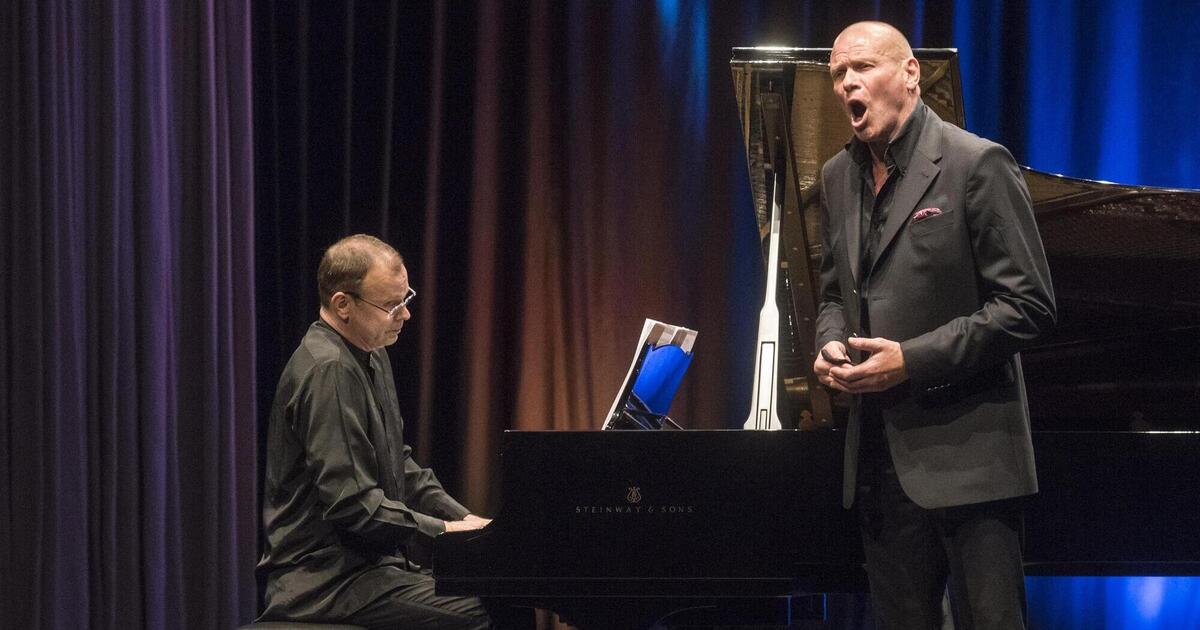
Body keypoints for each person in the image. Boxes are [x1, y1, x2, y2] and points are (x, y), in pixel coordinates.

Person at [812, 21, 1056, 630]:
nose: (847, 84)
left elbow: (1028, 305)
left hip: (971, 461)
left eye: (862, 67)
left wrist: (911, 359)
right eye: (839, 74)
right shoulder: (837, 177)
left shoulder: (976, 163)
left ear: (911, 73)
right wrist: (829, 343)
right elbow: (833, 293)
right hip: (879, 465)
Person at [257, 234, 494, 629]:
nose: (406, 315)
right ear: (342, 305)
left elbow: (396, 461)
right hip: (325, 581)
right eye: (391, 305)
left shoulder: (372, 353)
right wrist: (444, 531)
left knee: (501, 595)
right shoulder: (328, 370)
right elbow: (353, 505)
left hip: (370, 568)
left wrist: (466, 519)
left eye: (406, 298)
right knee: (480, 612)